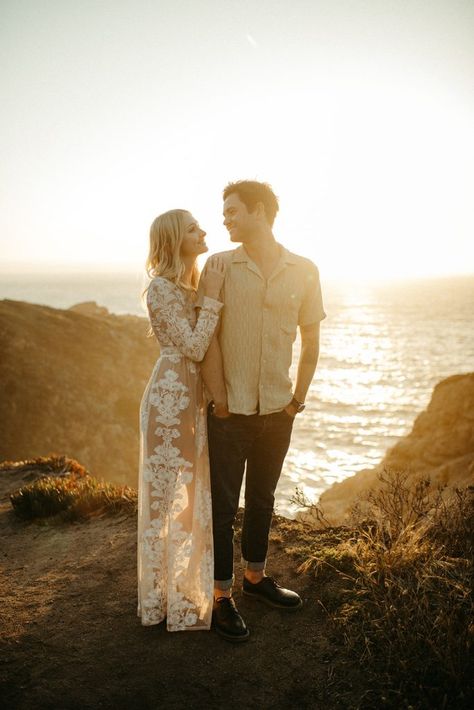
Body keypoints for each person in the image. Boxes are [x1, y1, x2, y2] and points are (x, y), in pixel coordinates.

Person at [200, 180, 326, 642]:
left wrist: (297, 399)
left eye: (233, 211)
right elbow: (206, 334)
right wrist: (220, 400)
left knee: (263, 498)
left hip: (279, 410)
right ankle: (220, 596)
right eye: (224, 211)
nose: (225, 219)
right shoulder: (217, 266)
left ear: (259, 211)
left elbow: (312, 340)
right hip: (230, 414)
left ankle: (255, 578)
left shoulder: (304, 270)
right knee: (221, 507)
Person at [137, 209, 226, 632]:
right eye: (193, 228)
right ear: (174, 240)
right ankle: (156, 597)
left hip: (192, 400)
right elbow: (192, 346)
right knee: (163, 498)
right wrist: (212, 300)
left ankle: (183, 588)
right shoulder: (159, 288)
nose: (203, 230)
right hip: (169, 401)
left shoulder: (185, 286)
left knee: (189, 496)